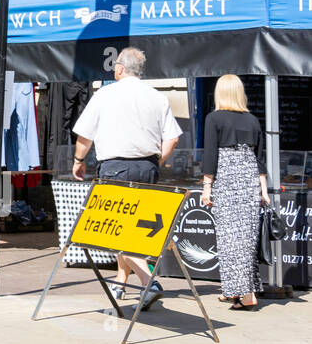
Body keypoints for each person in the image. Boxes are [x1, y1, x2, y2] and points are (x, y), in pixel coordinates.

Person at [72, 47, 181, 309]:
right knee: (132, 228)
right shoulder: (156, 97)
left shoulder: (105, 94)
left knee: (119, 231)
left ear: (120, 69)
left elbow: (85, 135)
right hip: (148, 168)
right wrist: (158, 160)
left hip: (115, 167)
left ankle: (148, 281)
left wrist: (78, 161)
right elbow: (173, 137)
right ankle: (121, 281)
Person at [202, 74, 270, 311]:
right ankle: (235, 291)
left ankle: (246, 294)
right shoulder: (252, 120)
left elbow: (210, 155)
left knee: (229, 240)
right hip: (250, 178)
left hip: (228, 177)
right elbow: (259, 158)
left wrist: (206, 186)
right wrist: (263, 191)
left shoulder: (214, 118)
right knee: (246, 239)